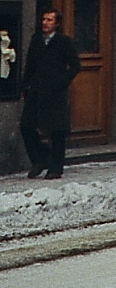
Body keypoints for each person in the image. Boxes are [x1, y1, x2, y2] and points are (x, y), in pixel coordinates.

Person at [21, 9, 80, 179]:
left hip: (55, 92)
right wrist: (26, 86)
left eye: (49, 20)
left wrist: (61, 82)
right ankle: (40, 159)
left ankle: (56, 167)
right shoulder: (36, 40)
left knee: (57, 130)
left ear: (57, 24)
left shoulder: (64, 42)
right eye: (44, 19)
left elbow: (75, 65)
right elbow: (30, 65)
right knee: (26, 126)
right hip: (36, 91)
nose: (45, 22)